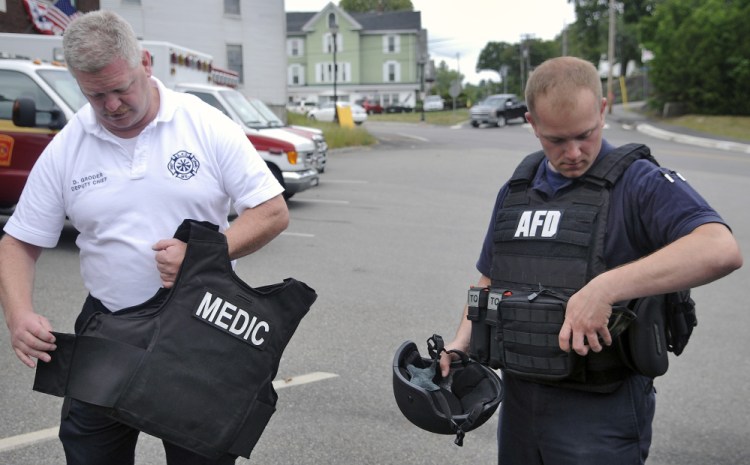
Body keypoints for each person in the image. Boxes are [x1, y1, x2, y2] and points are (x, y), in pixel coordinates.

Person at [0, 10, 288, 465]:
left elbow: (272, 210)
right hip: (109, 327)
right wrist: (18, 315)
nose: (112, 106)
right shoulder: (70, 143)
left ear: (146, 63)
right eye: (95, 95)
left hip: (202, 332)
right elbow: (18, 241)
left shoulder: (204, 124)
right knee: (90, 454)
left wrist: (204, 255)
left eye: (121, 89)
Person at [439, 56, 743, 464]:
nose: (574, 153)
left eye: (585, 134)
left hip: (601, 410)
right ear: (532, 123)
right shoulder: (517, 190)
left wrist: (605, 287)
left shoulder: (639, 182)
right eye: (555, 140)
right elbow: (490, 279)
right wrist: (461, 344)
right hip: (521, 403)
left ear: (602, 110)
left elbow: (720, 248)